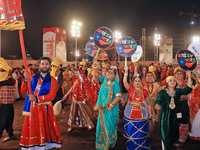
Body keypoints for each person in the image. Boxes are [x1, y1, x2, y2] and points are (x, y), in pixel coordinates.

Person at [20, 57, 62, 149]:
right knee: (33, 128)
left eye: (46, 64)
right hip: (33, 109)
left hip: (45, 109)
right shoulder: (32, 78)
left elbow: (52, 96)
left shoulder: (52, 80)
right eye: (42, 64)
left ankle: (44, 145)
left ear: (49, 65)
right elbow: (23, 90)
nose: (44, 66)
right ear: (39, 65)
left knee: (46, 128)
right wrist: (25, 80)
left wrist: (36, 98)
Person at [155, 73, 193, 150]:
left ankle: (171, 146)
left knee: (173, 133)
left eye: (174, 81)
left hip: (174, 116)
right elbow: (158, 100)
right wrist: (157, 105)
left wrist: (189, 76)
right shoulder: (163, 92)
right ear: (167, 83)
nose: (172, 82)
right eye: (170, 81)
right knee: (165, 133)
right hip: (165, 116)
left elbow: (188, 89)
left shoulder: (178, 91)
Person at [93, 59, 122, 150]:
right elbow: (96, 76)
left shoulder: (115, 84)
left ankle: (111, 141)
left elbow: (118, 97)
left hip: (111, 109)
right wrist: (95, 66)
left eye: (111, 73)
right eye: (108, 72)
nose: (109, 74)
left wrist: (111, 105)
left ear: (115, 75)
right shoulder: (104, 80)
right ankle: (102, 144)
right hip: (102, 108)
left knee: (110, 126)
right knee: (101, 126)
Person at [123, 65, 151, 150]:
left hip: (142, 113)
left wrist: (150, 112)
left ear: (141, 82)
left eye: (139, 81)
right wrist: (126, 72)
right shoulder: (130, 88)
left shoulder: (144, 91)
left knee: (141, 134)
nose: (137, 82)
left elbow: (148, 103)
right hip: (130, 112)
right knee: (130, 132)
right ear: (133, 82)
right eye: (135, 81)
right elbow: (124, 83)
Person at [0, 57, 15, 142]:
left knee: (2, 121)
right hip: (3, 103)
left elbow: (7, 82)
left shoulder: (10, 79)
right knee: (8, 121)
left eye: (2, 70)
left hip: (6, 104)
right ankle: (11, 135)